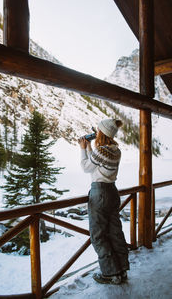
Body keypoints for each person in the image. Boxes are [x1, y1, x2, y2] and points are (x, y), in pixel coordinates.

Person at [78, 118, 129, 285]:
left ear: (102, 133)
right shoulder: (115, 150)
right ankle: (121, 270)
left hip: (99, 193)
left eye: (98, 131)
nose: (96, 133)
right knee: (115, 232)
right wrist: (90, 148)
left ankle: (110, 273)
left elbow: (86, 167)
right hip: (112, 192)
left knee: (98, 235)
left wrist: (83, 149)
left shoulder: (101, 152)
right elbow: (98, 160)